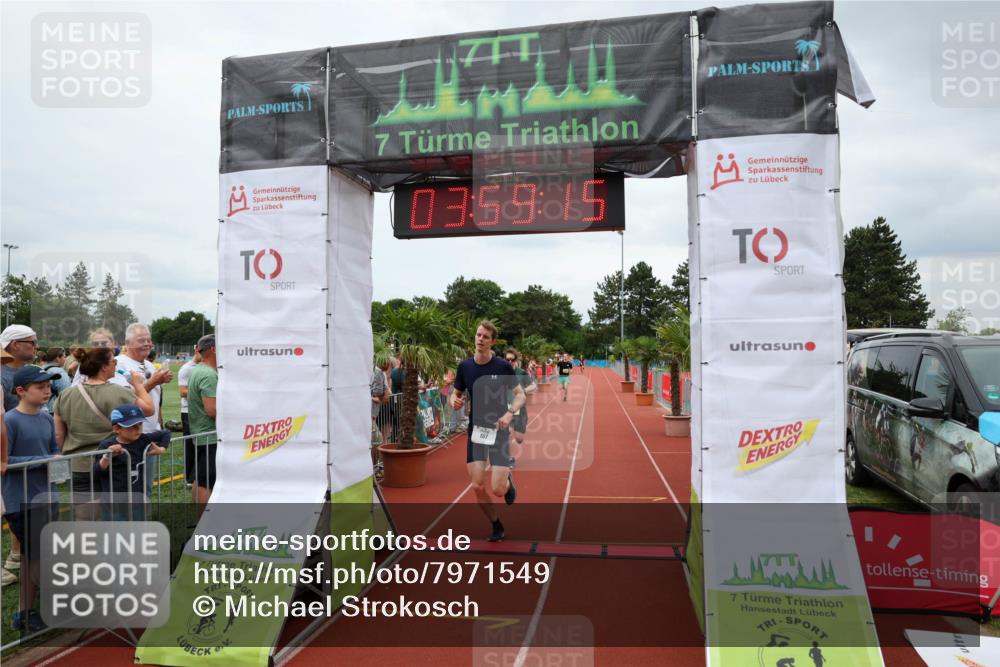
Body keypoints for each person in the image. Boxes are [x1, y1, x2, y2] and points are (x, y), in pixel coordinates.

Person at [53, 347, 153, 517]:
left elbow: (58, 435)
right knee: (115, 514)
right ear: (104, 366)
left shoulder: (66, 394)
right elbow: (149, 409)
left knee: (83, 516)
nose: (116, 365)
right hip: (113, 464)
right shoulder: (120, 392)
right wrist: (137, 384)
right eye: (114, 362)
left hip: (79, 464)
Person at [450, 321, 526, 542]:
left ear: (492, 341)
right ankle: (496, 524)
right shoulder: (465, 367)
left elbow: (520, 394)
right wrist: (454, 400)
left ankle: (507, 483)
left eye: (485, 336)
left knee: (498, 490)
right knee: (477, 485)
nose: (480, 339)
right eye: (478, 335)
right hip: (477, 432)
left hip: (499, 430)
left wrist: (510, 413)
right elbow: (455, 394)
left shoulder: (502, 366)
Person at [2, 366, 61, 632]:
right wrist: (44, 460)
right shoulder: (10, 421)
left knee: (33, 557)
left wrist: (57, 461)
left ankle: (25, 613)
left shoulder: (46, 418)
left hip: (46, 496)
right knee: (38, 557)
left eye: (48, 386)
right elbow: (5, 461)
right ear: (21, 391)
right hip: (21, 500)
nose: (47, 391)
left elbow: (53, 450)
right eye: (40, 387)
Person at [92, 403, 170, 520]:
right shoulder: (107, 445)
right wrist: (107, 457)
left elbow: (166, 433)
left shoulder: (142, 439)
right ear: (117, 429)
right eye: (132, 426)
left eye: (140, 424)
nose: (138, 429)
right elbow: (97, 471)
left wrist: (161, 449)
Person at [187, 335, 218, 512]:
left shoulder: (199, 369)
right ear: (213, 349)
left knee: (200, 478)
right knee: (207, 481)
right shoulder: (208, 374)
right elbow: (212, 410)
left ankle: (200, 520)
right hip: (209, 436)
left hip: (202, 434)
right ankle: (204, 521)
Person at [503, 349, 536, 453]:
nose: (509, 362)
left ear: (516, 360)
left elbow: (533, 386)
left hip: (520, 410)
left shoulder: (521, 373)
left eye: (512, 360)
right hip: (506, 409)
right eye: (507, 359)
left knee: (519, 439)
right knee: (506, 433)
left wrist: (524, 391)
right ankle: (509, 458)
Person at [1, 325, 40, 413]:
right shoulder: (2, 376)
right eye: (33, 342)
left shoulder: (35, 370)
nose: (37, 346)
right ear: (15, 344)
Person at [177, 345, 201, 487]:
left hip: (202, 411)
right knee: (190, 445)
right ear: (197, 350)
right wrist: (205, 392)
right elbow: (182, 392)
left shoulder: (209, 367)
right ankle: (189, 479)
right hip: (189, 411)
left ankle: (198, 475)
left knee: (202, 444)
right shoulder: (187, 368)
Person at [41, 347, 71, 413]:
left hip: (41, 409)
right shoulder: (60, 372)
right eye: (64, 357)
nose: (65, 359)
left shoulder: (41, 369)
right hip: (54, 411)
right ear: (58, 358)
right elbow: (66, 395)